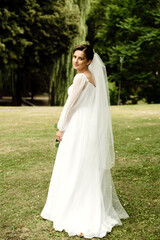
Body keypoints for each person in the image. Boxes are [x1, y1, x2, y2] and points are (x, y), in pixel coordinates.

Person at [41, 44, 129, 239]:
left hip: (78, 125)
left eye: (80, 58)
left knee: (73, 164)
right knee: (85, 165)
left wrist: (61, 127)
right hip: (89, 125)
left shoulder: (80, 77)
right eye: (74, 57)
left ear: (89, 61)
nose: (76, 61)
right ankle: (89, 205)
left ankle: (74, 208)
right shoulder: (94, 77)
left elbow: (70, 105)